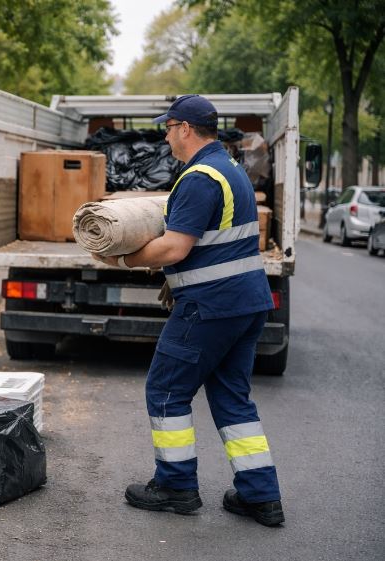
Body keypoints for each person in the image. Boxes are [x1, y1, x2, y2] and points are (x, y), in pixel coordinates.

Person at [99, 95, 283, 527]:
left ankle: (176, 487)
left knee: (166, 390)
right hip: (246, 304)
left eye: (168, 128)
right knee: (232, 399)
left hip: (210, 305)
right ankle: (261, 496)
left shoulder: (200, 178)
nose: (165, 137)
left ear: (185, 128)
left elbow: (174, 247)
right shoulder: (230, 169)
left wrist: (121, 258)